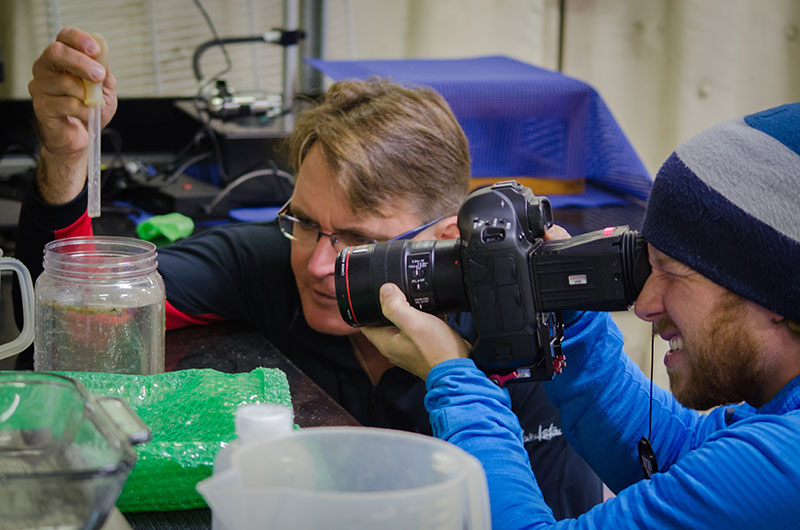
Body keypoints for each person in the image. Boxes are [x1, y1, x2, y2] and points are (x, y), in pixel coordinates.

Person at [17, 28, 603, 519]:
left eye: (359, 240)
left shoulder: (528, 342)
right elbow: (82, 307)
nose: (320, 264)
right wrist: (68, 160)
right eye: (304, 222)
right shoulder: (268, 262)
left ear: (445, 236)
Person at [362, 101, 800, 528]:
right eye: (649, 265)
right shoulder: (779, 419)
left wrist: (456, 379)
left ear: (778, 293)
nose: (645, 305)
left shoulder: (783, 462)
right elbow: (681, 454)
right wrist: (568, 315)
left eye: (672, 272)